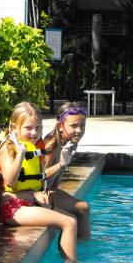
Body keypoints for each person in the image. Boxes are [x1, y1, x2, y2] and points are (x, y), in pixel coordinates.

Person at [0, 102, 78, 261]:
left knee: (73, 218)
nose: (34, 132)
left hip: (29, 202)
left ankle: (69, 261)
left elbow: (42, 183)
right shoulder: (9, 148)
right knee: (68, 223)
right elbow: (10, 182)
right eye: (28, 128)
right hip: (13, 208)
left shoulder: (34, 147)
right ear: (14, 128)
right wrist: (20, 154)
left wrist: (62, 164)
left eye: (38, 127)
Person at [34, 102, 91, 239]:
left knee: (82, 209)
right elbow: (39, 180)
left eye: (82, 125)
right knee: (83, 208)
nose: (79, 130)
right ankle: (84, 246)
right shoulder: (52, 145)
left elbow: (55, 184)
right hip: (36, 193)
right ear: (60, 126)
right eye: (74, 126)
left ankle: (82, 243)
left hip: (48, 189)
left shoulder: (67, 143)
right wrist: (61, 164)